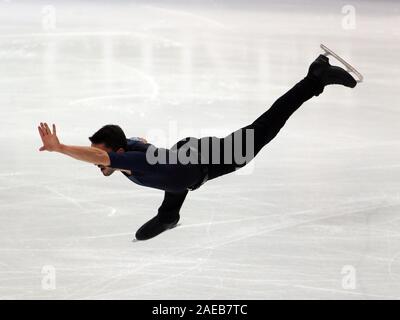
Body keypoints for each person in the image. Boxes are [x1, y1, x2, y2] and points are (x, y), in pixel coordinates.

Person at [38, 51, 358, 241]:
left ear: (116, 152)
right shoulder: (129, 153)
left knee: (268, 126)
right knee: (175, 179)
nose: (97, 163)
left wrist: (61, 147)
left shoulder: (131, 159)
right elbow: (137, 143)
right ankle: (168, 217)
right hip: (183, 162)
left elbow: (112, 153)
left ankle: (315, 78)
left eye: (100, 156)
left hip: (205, 158)